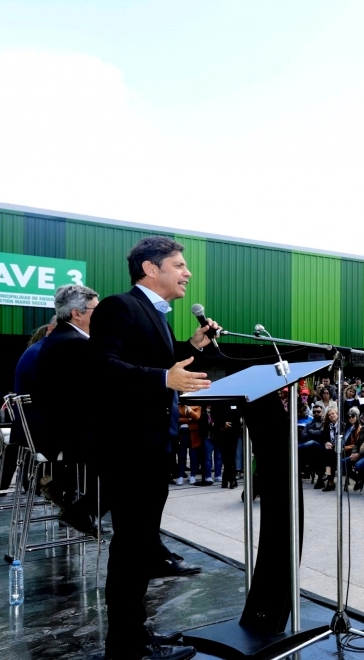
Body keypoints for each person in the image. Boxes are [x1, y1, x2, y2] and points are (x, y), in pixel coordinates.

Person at [90, 235, 217, 660]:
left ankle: (135, 636)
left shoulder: (158, 316)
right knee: (131, 546)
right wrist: (164, 379)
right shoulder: (119, 306)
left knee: (141, 545)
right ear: (150, 268)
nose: (188, 273)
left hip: (153, 446)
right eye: (179, 265)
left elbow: (159, 365)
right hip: (130, 448)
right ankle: (125, 645)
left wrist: (191, 348)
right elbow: (102, 368)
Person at [35, 283, 103, 534]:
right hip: (71, 433)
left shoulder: (63, 338)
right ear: (78, 313)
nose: (102, 314)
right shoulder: (75, 343)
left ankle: (78, 504)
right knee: (136, 458)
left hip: (63, 427)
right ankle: (81, 511)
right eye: (97, 309)